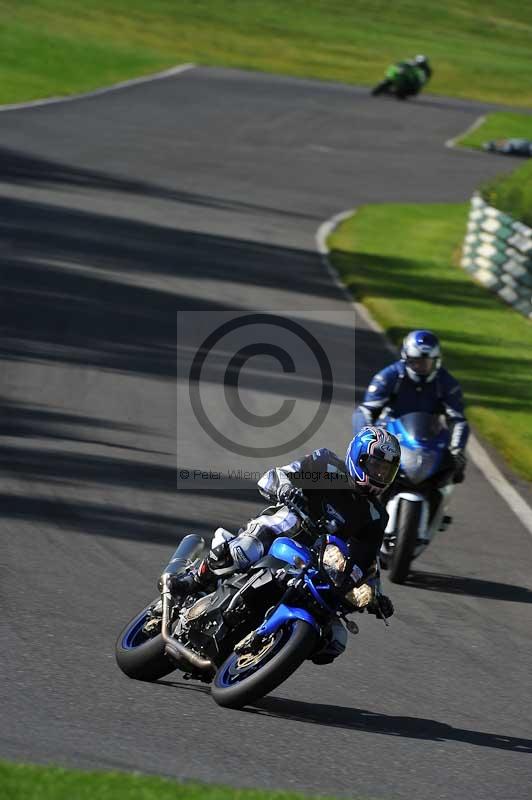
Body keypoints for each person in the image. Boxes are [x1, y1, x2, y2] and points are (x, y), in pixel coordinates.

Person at [168, 426, 401, 664]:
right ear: (358, 458)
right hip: (283, 531)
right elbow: (277, 475)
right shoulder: (328, 468)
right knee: (245, 549)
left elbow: (366, 559)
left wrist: (374, 594)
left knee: (334, 639)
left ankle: (267, 648)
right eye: (376, 466)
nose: (380, 475)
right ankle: (194, 579)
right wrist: (287, 488)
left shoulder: (376, 516)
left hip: (316, 563)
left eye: (386, 471)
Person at [352, 330, 469, 483]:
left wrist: (457, 449)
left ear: (437, 361)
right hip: (390, 438)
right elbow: (365, 410)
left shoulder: (447, 383)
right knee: (362, 478)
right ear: (406, 358)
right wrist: (368, 440)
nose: (422, 367)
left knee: (451, 472)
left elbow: (458, 419)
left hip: (429, 441)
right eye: (416, 361)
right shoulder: (388, 376)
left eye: (427, 362)